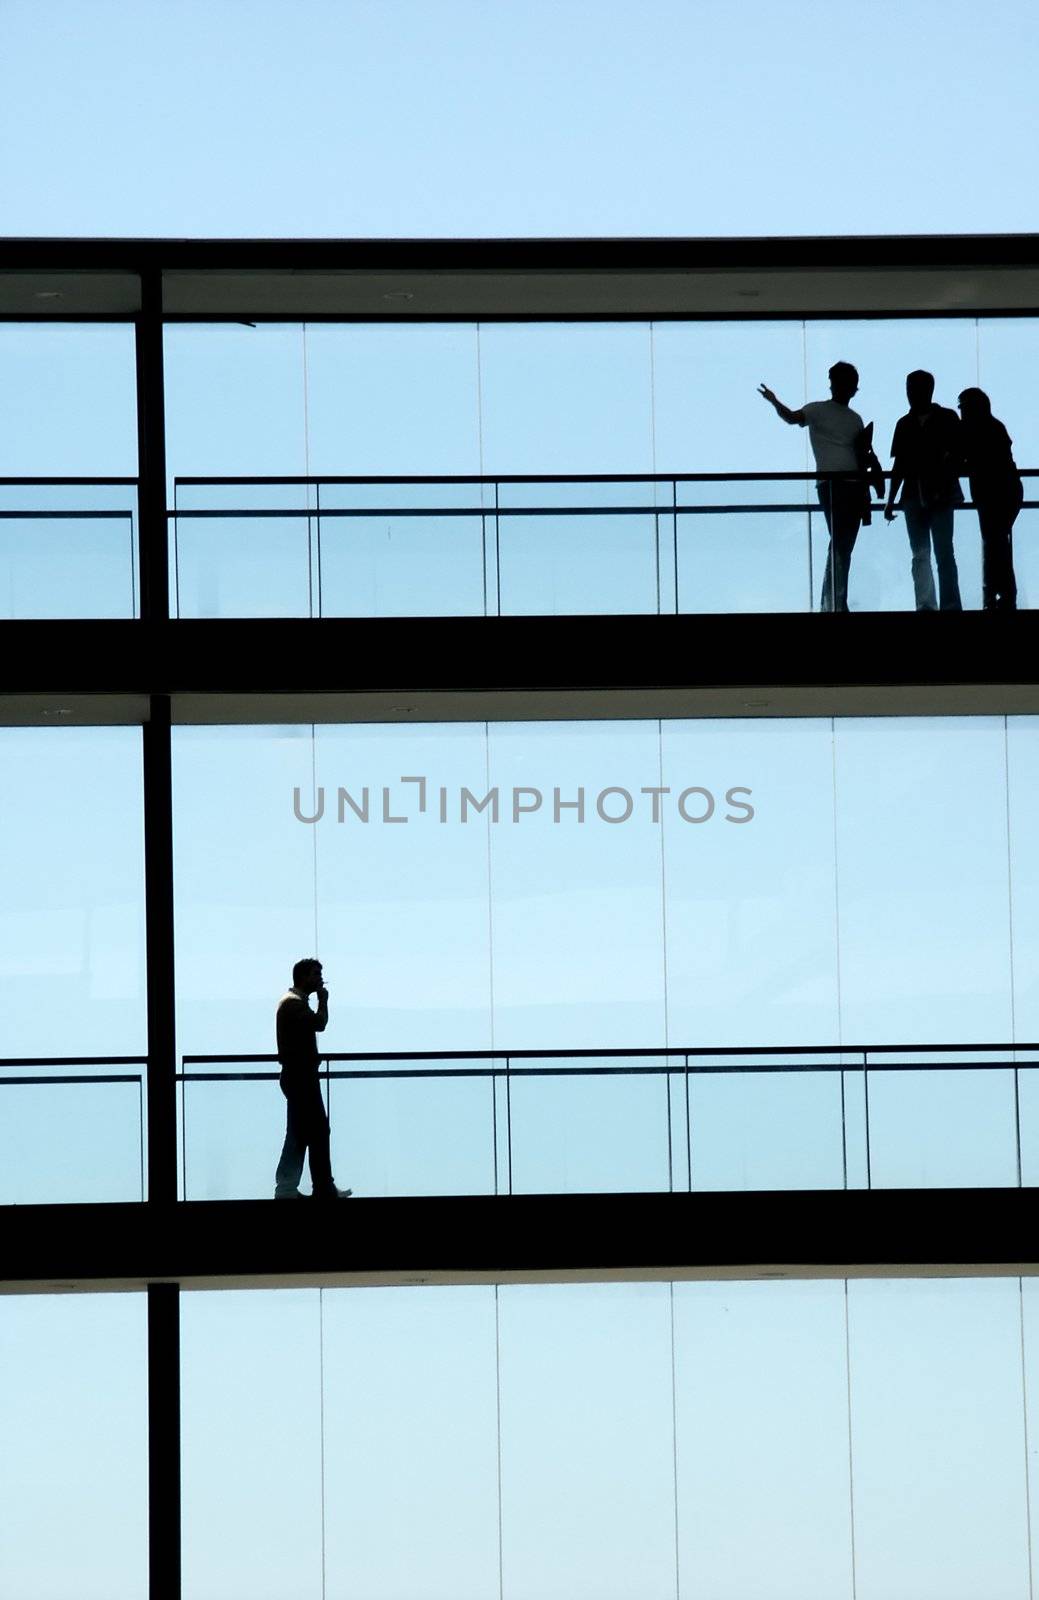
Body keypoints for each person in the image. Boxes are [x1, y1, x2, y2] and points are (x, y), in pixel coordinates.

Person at [758, 361, 871, 612]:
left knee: (842, 544)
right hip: (837, 485)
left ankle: (832, 601)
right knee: (842, 544)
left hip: (845, 485)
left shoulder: (847, 417)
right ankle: (834, 601)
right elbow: (792, 418)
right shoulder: (841, 416)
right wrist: (775, 402)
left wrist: (775, 402)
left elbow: (792, 418)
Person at [884, 370, 964, 611]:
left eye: (913, 389)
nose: (911, 394)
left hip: (918, 495)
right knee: (941, 552)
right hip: (935, 494)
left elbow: (899, 465)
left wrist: (890, 500)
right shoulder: (947, 418)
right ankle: (947, 605)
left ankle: (927, 605)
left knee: (925, 553)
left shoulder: (905, 424)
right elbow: (959, 454)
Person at [274, 957, 351, 1199]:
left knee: (301, 1131)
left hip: (299, 1077)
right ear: (303, 977)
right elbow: (319, 1024)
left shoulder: (292, 1003)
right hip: (302, 1078)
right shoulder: (294, 1005)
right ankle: (320, 1187)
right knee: (316, 1131)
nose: (319, 978)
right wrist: (324, 1001)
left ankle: (290, 1187)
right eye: (315, 974)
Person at [957, 386, 1023, 611]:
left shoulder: (974, 430)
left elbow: (961, 459)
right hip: (1007, 491)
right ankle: (1000, 595)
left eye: (962, 407)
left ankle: (998, 595)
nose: (960, 412)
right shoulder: (994, 427)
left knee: (994, 544)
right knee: (998, 544)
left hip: (993, 493)